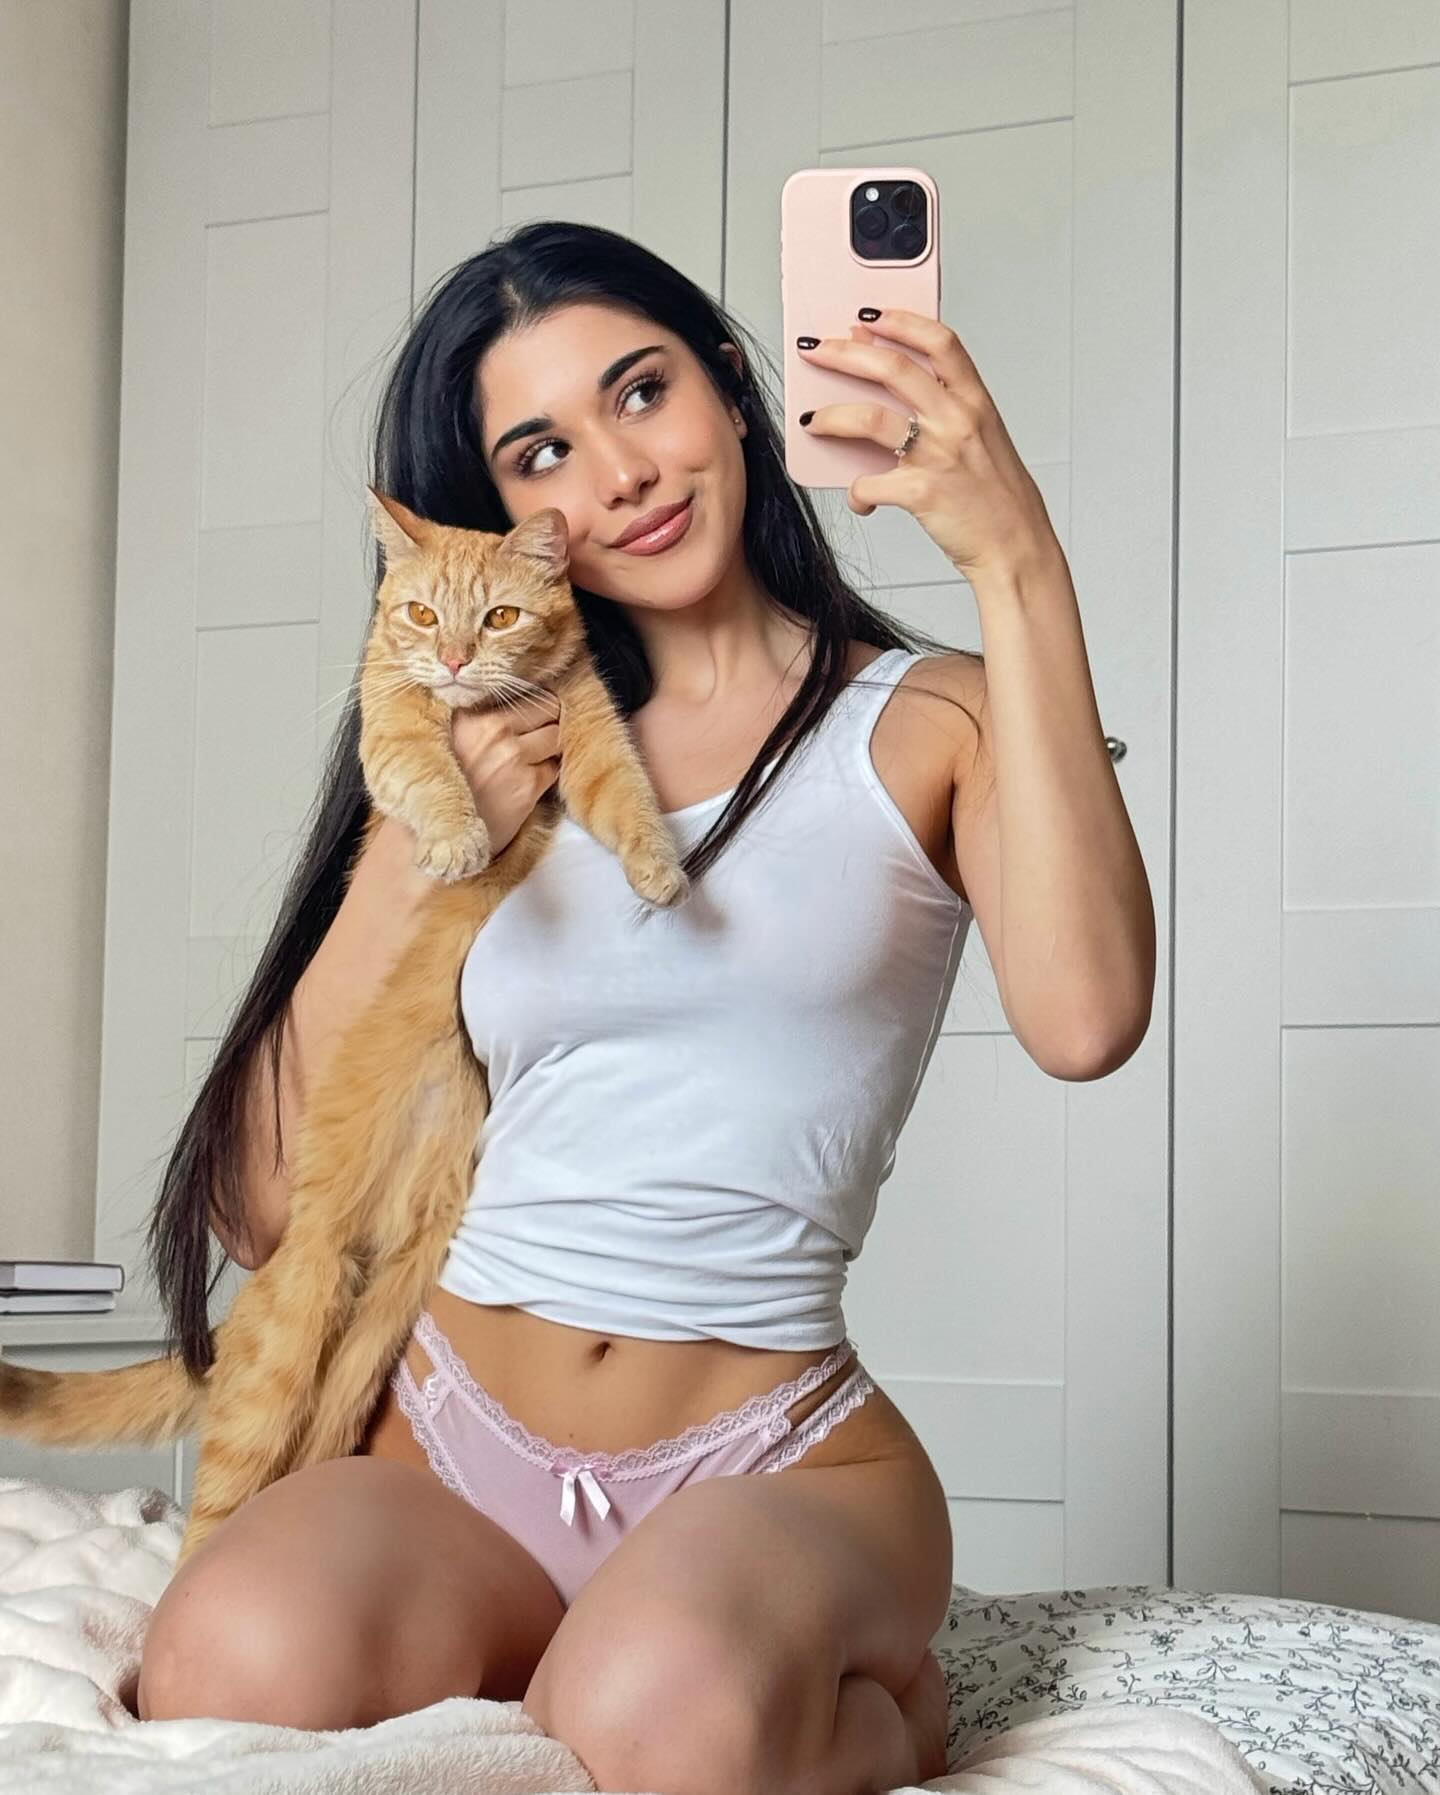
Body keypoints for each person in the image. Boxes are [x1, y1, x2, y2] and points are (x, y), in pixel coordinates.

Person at [135, 221, 1153, 1792]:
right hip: (449, 1439)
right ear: (498, 517)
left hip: (769, 1457)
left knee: (658, 1711)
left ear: (733, 390)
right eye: (542, 451)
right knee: (227, 1661)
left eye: (641, 392)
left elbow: (1088, 1022)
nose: (618, 474)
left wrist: (1014, 557)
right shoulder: (499, 752)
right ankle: (580, 1642)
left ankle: (864, 1700)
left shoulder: (928, 721)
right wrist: (419, 841)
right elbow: (270, 1210)